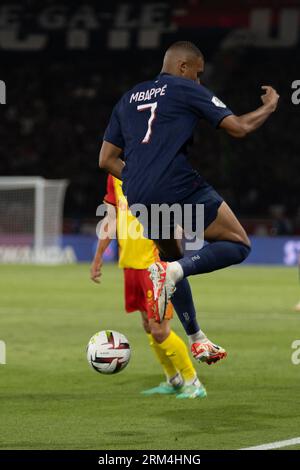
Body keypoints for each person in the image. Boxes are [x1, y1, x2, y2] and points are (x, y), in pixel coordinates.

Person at [98, 41, 279, 364]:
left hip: (137, 192)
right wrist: (269, 107)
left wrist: (141, 178)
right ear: (183, 68)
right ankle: (176, 272)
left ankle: (197, 338)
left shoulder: (128, 98)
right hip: (177, 184)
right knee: (238, 243)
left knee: (170, 260)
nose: (199, 81)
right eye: (198, 74)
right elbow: (238, 128)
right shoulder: (184, 88)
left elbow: (106, 160)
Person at [90, 174, 206, 398]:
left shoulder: (153, 167)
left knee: (160, 330)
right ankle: (173, 380)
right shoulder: (114, 176)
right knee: (148, 326)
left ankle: (194, 382)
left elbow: (176, 208)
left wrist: (174, 248)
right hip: (130, 265)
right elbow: (111, 218)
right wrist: (98, 256)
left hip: (154, 264)